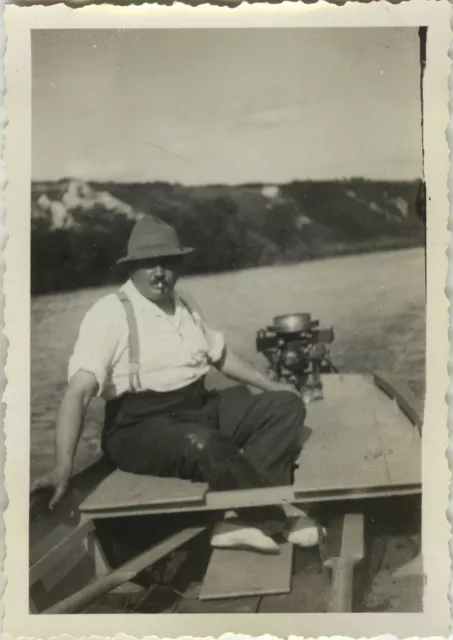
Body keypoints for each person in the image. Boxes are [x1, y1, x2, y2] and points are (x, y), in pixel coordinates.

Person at [34, 216, 321, 553]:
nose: (160, 272)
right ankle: (276, 516)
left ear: (179, 265)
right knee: (206, 444)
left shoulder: (184, 302)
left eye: (168, 262)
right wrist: (62, 465)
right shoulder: (109, 313)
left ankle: (236, 516)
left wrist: (272, 386)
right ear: (133, 268)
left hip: (196, 407)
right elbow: (78, 392)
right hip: (139, 425)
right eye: (149, 263)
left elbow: (221, 355)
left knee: (285, 407)